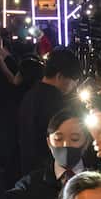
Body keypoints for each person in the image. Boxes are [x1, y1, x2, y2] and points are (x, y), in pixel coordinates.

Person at [17, 47, 80, 175]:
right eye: (73, 82)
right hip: (48, 173)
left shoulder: (30, 94)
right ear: (60, 76)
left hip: (29, 168)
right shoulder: (57, 102)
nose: (74, 88)